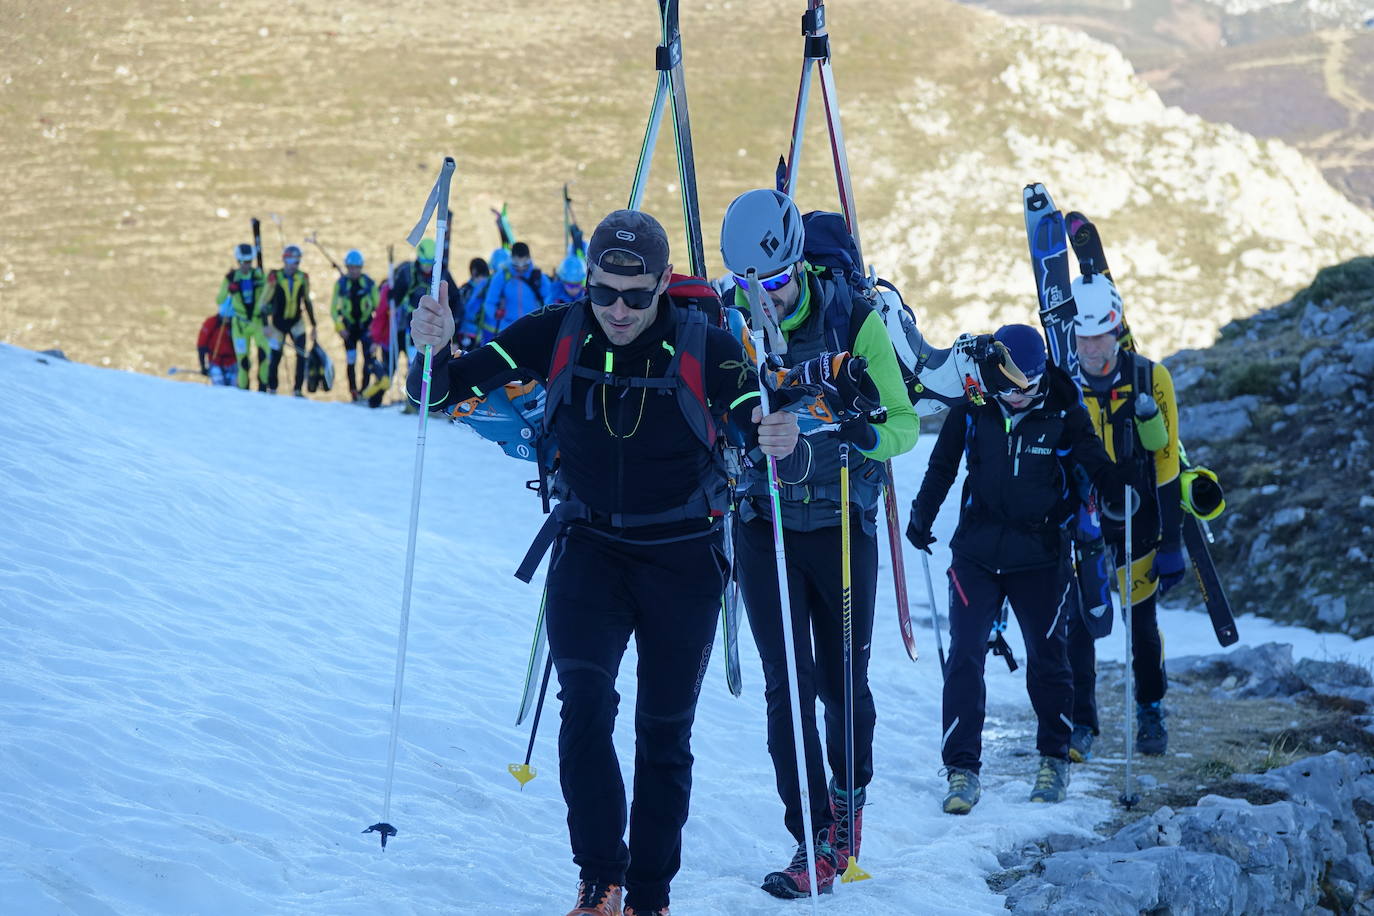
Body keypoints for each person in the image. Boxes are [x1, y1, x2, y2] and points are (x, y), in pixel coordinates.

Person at [406, 210, 802, 916]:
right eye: (603, 292)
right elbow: (437, 390)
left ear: (661, 286)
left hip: (683, 558)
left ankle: (649, 897)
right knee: (584, 709)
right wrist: (428, 349)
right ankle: (599, 881)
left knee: (662, 731)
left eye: (636, 295)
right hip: (588, 548)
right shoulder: (555, 334)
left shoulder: (705, 348)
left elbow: (754, 417)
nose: (618, 310)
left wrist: (777, 434)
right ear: (586, 282)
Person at [717, 189, 920, 899]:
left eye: (776, 282)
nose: (768, 298)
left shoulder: (854, 321)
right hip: (762, 523)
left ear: (800, 265)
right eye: (753, 286)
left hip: (838, 525)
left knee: (839, 683)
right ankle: (811, 840)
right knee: (787, 688)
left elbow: (904, 424)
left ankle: (850, 804)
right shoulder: (732, 324)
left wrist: (851, 430)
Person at [906, 324, 1125, 816]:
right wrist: (922, 512)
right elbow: (943, 465)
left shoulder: (1064, 408)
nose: (1019, 394)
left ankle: (1053, 759)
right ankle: (962, 769)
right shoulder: (976, 400)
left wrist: (1117, 493)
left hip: (1042, 554)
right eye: (1010, 385)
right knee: (964, 655)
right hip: (978, 550)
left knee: (1049, 658)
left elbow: (1094, 461)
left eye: (1028, 383)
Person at [1066, 274, 1184, 760]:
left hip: (1140, 518)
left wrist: (1174, 541)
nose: (1093, 349)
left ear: (1117, 330)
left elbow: (1167, 463)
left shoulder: (1151, 379)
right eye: (1084, 338)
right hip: (1084, 522)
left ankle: (1151, 707)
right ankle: (1081, 722)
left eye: (1101, 336)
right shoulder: (1062, 382)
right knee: (1081, 625)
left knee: (1140, 624)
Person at [390, 237, 456, 374]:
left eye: (430, 263)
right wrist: (392, 295)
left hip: (436, 325)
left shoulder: (442, 273)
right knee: (415, 359)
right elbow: (396, 297)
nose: (427, 267)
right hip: (413, 323)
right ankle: (414, 386)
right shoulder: (408, 272)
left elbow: (455, 297)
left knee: (434, 362)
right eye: (424, 262)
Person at [472, 240, 550, 346]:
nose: (521, 268)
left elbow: (550, 300)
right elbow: (490, 302)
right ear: (511, 259)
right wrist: (496, 312)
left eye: (525, 265)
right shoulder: (502, 276)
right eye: (516, 265)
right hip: (507, 331)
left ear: (529, 259)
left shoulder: (538, 277)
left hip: (532, 328)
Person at [263, 244, 318, 397]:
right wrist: (265, 325)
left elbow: (307, 301)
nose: (295, 265)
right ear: (285, 261)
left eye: (298, 262)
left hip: (296, 323)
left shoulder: (302, 278)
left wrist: (314, 324)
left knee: (301, 355)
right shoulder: (275, 278)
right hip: (277, 325)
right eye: (293, 261)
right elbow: (263, 303)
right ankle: (272, 388)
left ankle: (298, 389)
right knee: (275, 357)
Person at [217, 243, 271, 391]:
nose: (245, 265)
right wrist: (229, 287)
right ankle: (243, 390)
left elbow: (268, 296)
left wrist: (265, 282)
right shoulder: (231, 277)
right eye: (242, 262)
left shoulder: (259, 275)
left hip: (257, 322)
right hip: (240, 325)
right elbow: (219, 300)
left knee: (264, 356)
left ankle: (263, 388)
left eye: (248, 262)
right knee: (243, 362)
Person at [331, 249, 378, 400]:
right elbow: (333, 310)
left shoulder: (369, 284)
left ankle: (364, 390)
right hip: (349, 328)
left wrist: (375, 330)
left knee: (367, 359)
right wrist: (340, 328)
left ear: (361, 268)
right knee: (351, 359)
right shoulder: (341, 284)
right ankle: (353, 391)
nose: (353, 271)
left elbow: (378, 309)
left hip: (366, 327)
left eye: (356, 268)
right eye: (350, 268)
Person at [453, 257, 491, 351]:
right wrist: (454, 340)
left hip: (484, 336)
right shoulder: (466, 291)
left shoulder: (490, 290)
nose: (483, 282)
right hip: (467, 335)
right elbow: (456, 314)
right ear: (474, 274)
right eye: (482, 278)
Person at [196, 312, 237, 386]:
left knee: (234, 390)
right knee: (219, 389)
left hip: (233, 363)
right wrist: (203, 366)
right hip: (216, 362)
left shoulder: (236, 322)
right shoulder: (211, 322)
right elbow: (201, 346)